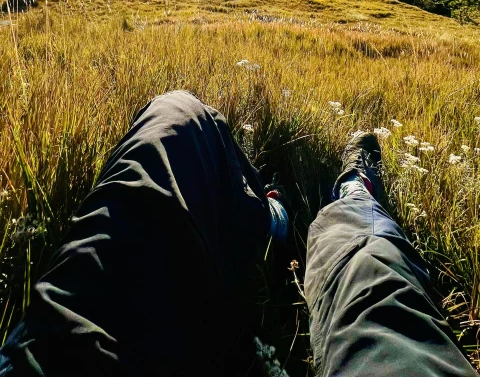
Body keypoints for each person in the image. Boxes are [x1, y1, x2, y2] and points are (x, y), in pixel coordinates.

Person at [0, 90, 476, 376]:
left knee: (177, 112)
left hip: (58, 344)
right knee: (369, 269)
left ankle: (269, 213)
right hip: (78, 339)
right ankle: (350, 190)